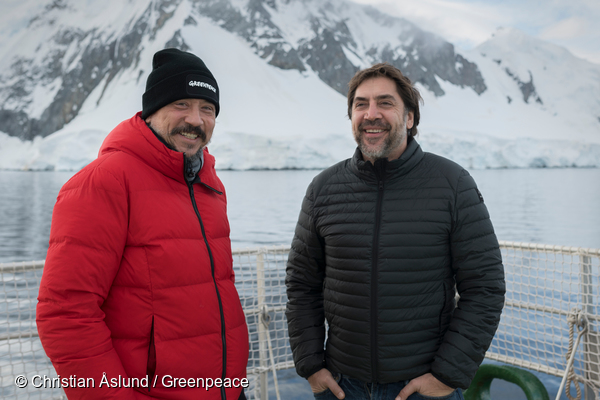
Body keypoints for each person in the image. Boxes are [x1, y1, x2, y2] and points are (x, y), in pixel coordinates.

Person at [37, 48, 249, 400]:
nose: (196, 120)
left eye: (207, 109)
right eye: (181, 104)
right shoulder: (105, 182)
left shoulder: (208, 185)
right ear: (152, 110)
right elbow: (65, 314)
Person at [285, 63, 505, 400]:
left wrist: (446, 376)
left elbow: (485, 287)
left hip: (423, 388)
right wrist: (311, 365)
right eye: (361, 104)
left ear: (410, 118)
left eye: (385, 103)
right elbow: (302, 284)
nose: (371, 114)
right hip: (341, 386)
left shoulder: (452, 184)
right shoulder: (323, 189)